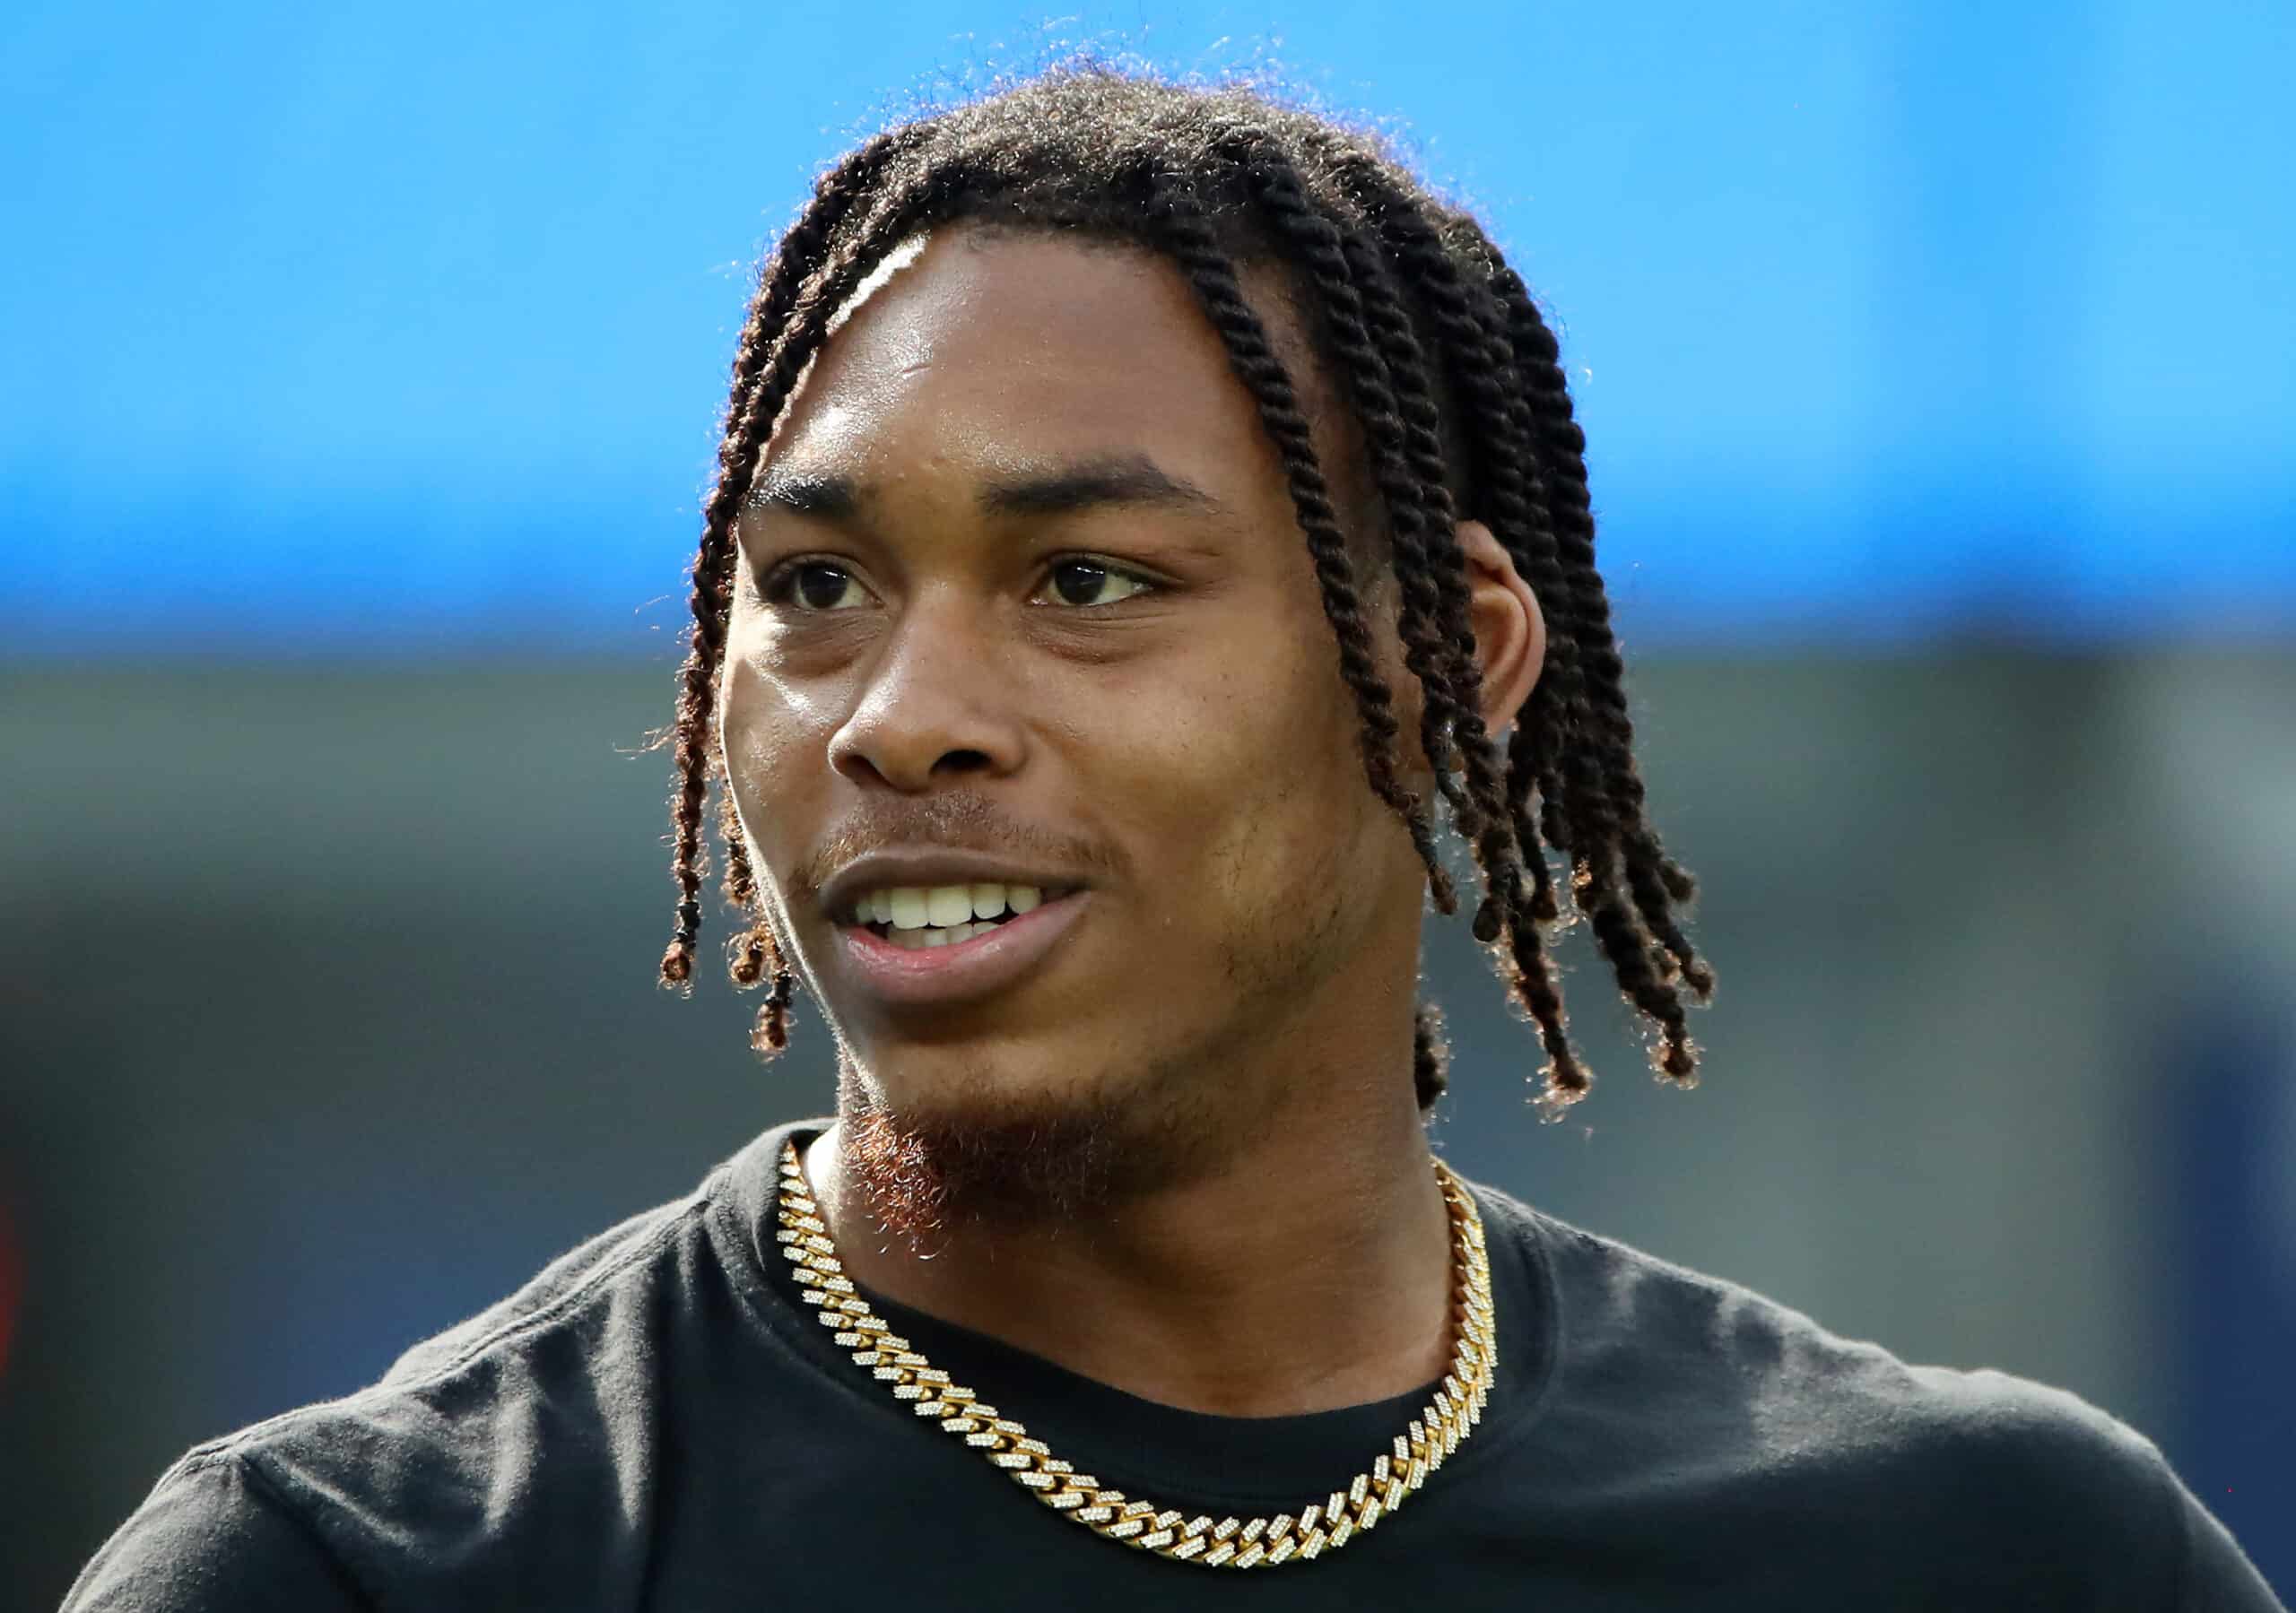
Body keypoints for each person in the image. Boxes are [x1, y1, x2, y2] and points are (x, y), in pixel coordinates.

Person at [64, 64, 2282, 1609]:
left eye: (1087, 583)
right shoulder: (369, 1571)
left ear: (1449, 664)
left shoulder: (1979, 1555)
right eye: (814, 591)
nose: (902, 717)